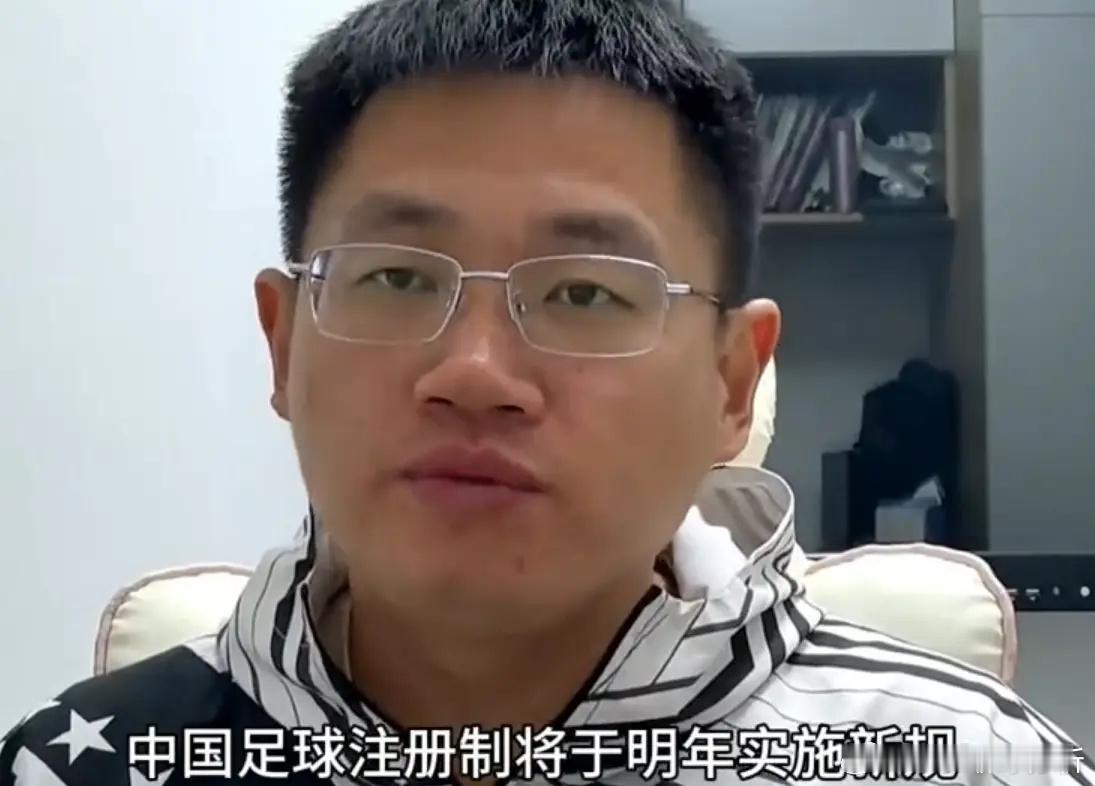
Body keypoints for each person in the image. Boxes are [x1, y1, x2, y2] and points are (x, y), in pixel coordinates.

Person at [2, 1, 1090, 784]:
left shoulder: (971, 764)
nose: (474, 372)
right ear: (282, 346)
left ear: (731, 383)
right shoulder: (80, 767)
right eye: (397, 278)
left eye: (584, 293)